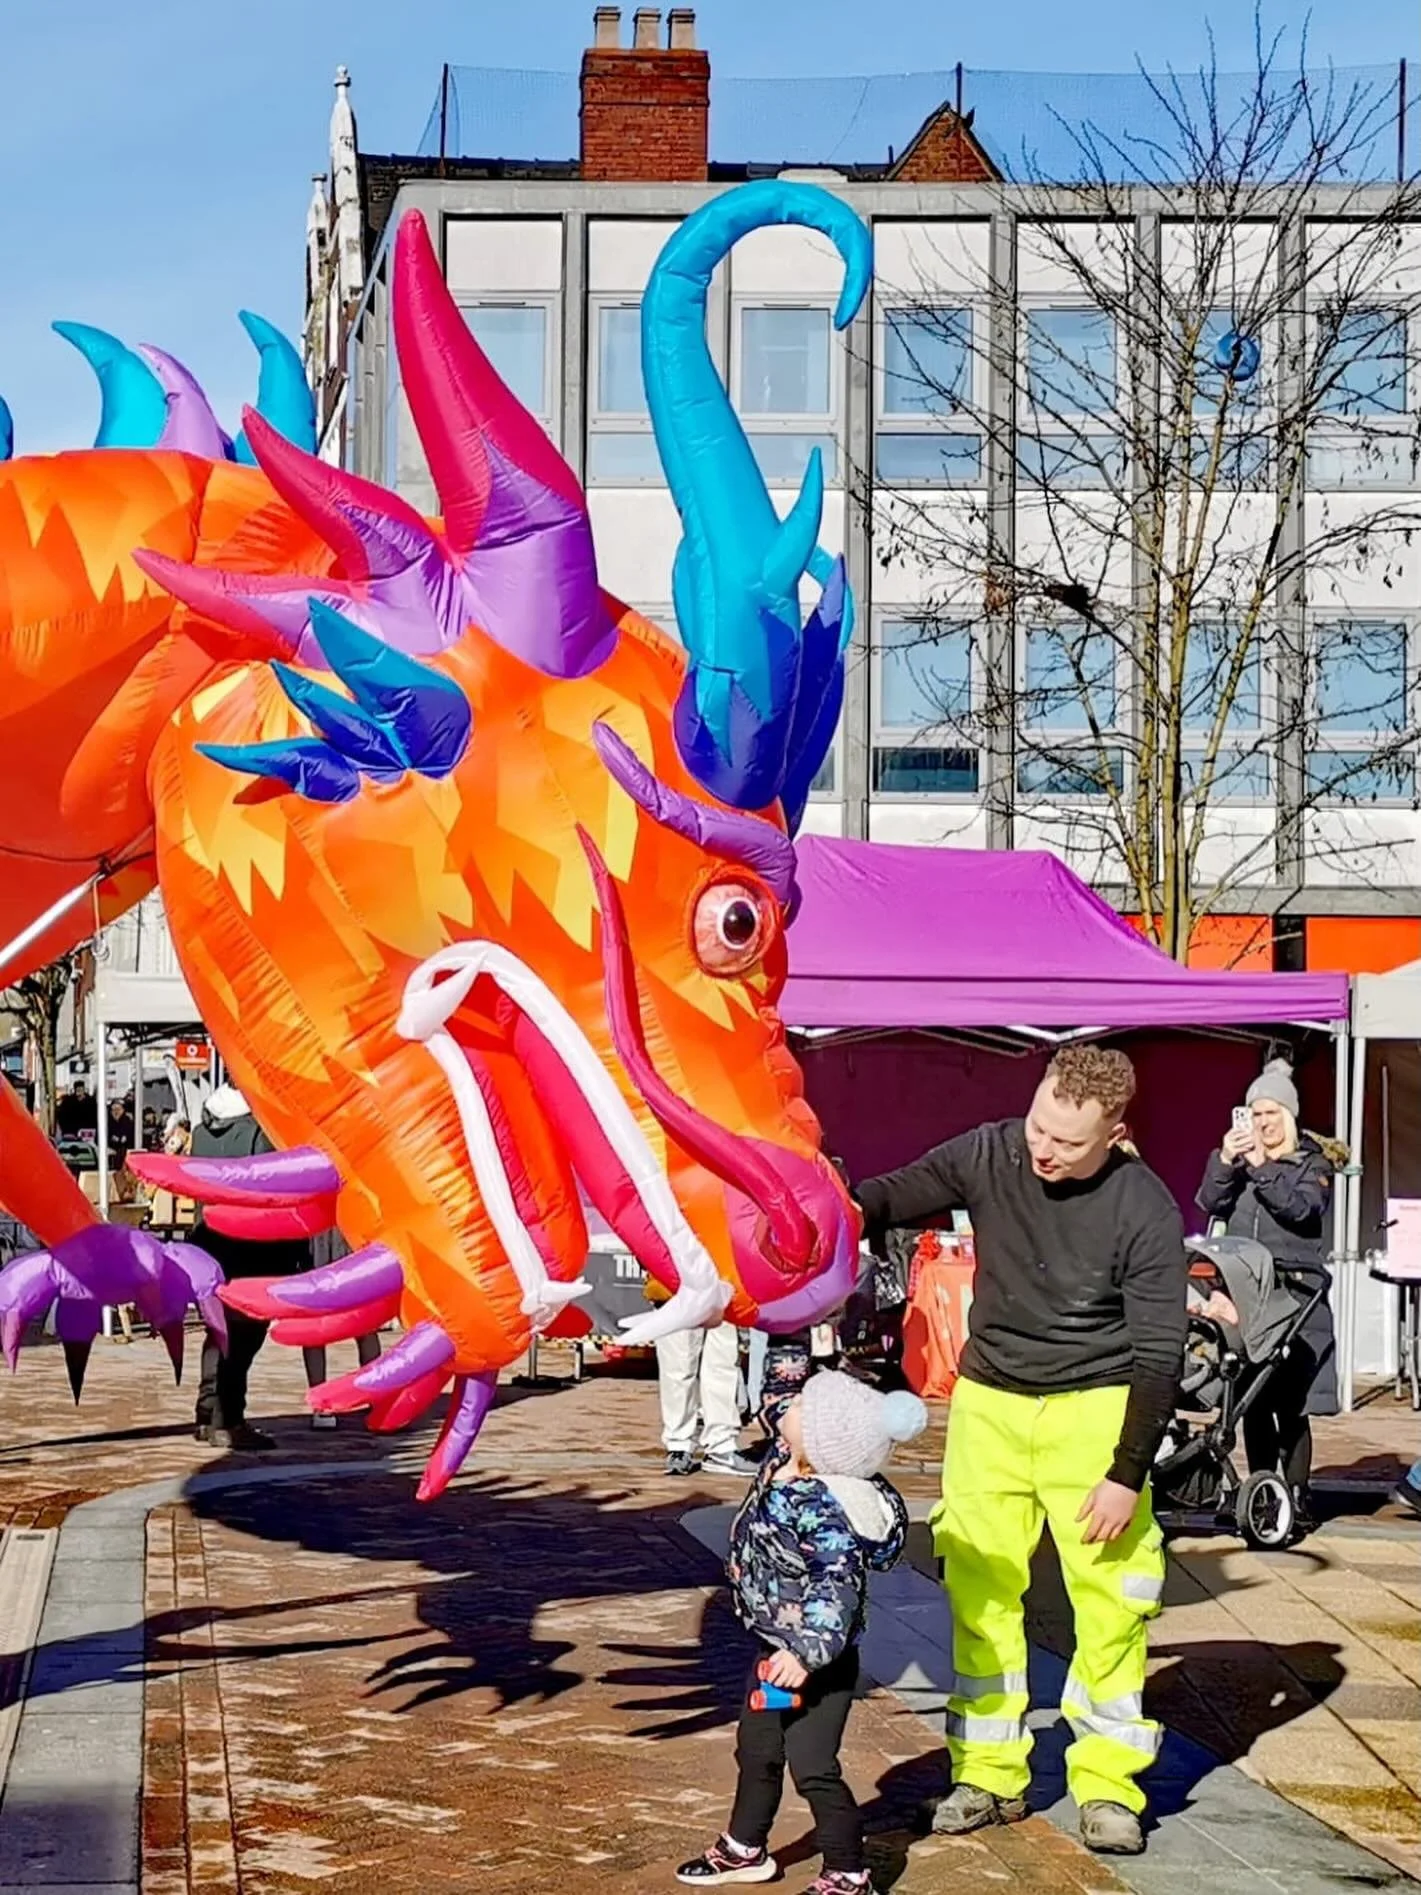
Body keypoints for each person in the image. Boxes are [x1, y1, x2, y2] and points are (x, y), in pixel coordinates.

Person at [854, 1046, 1188, 1858]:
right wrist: (820, 1211)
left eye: (1066, 1141)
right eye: (1038, 1126)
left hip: (1096, 1407)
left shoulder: (1143, 1206)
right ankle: (987, 1774)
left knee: (1112, 1603)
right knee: (978, 1589)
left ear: (1114, 1132)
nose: (1042, 1149)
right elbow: (886, 1196)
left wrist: (1124, 1473)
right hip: (991, 1404)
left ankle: (1107, 1786)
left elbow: (1159, 1356)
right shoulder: (990, 1149)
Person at [676, 1371, 927, 1891]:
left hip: (817, 1663)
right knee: (756, 1749)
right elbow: (778, 1404)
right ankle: (744, 1848)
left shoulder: (824, 1507)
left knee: (813, 1766)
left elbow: (836, 1589)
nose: (790, 1407)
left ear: (819, 1441)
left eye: (803, 1408)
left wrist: (806, 1654)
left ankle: (848, 1871)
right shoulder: (785, 1456)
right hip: (775, 1648)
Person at [1196, 1060, 1337, 1533]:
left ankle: (1296, 1494)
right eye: (1255, 1114)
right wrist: (1224, 1159)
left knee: (1291, 1404)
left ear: (1289, 1116)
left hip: (1296, 1299)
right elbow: (1210, 1201)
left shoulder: (1312, 1165)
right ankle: (1261, 1489)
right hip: (1247, 1294)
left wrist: (1261, 1166)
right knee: (1253, 1399)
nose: (1262, 1123)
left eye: (1271, 1113)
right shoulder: (1242, 1166)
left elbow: (1300, 1208)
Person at [189, 1084, 312, 1451]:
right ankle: (228, 1419)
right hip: (254, 1248)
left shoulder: (202, 1131)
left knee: (218, 1330)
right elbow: (278, 1191)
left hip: (210, 1243)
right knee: (243, 1336)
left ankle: (206, 1413)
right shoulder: (263, 1131)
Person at [302, 1227, 382, 1431]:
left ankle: (377, 1395)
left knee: (365, 1324)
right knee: (315, 1327)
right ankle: (321, 1401)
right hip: (317, 1237)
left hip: (350, 1235)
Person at [656, 1318, 756, 1477]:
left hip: (724, 1303)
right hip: (678, 1302)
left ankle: (721, 1445)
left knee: (724, 1358)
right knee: (678, 1363)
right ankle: (678, 1445)